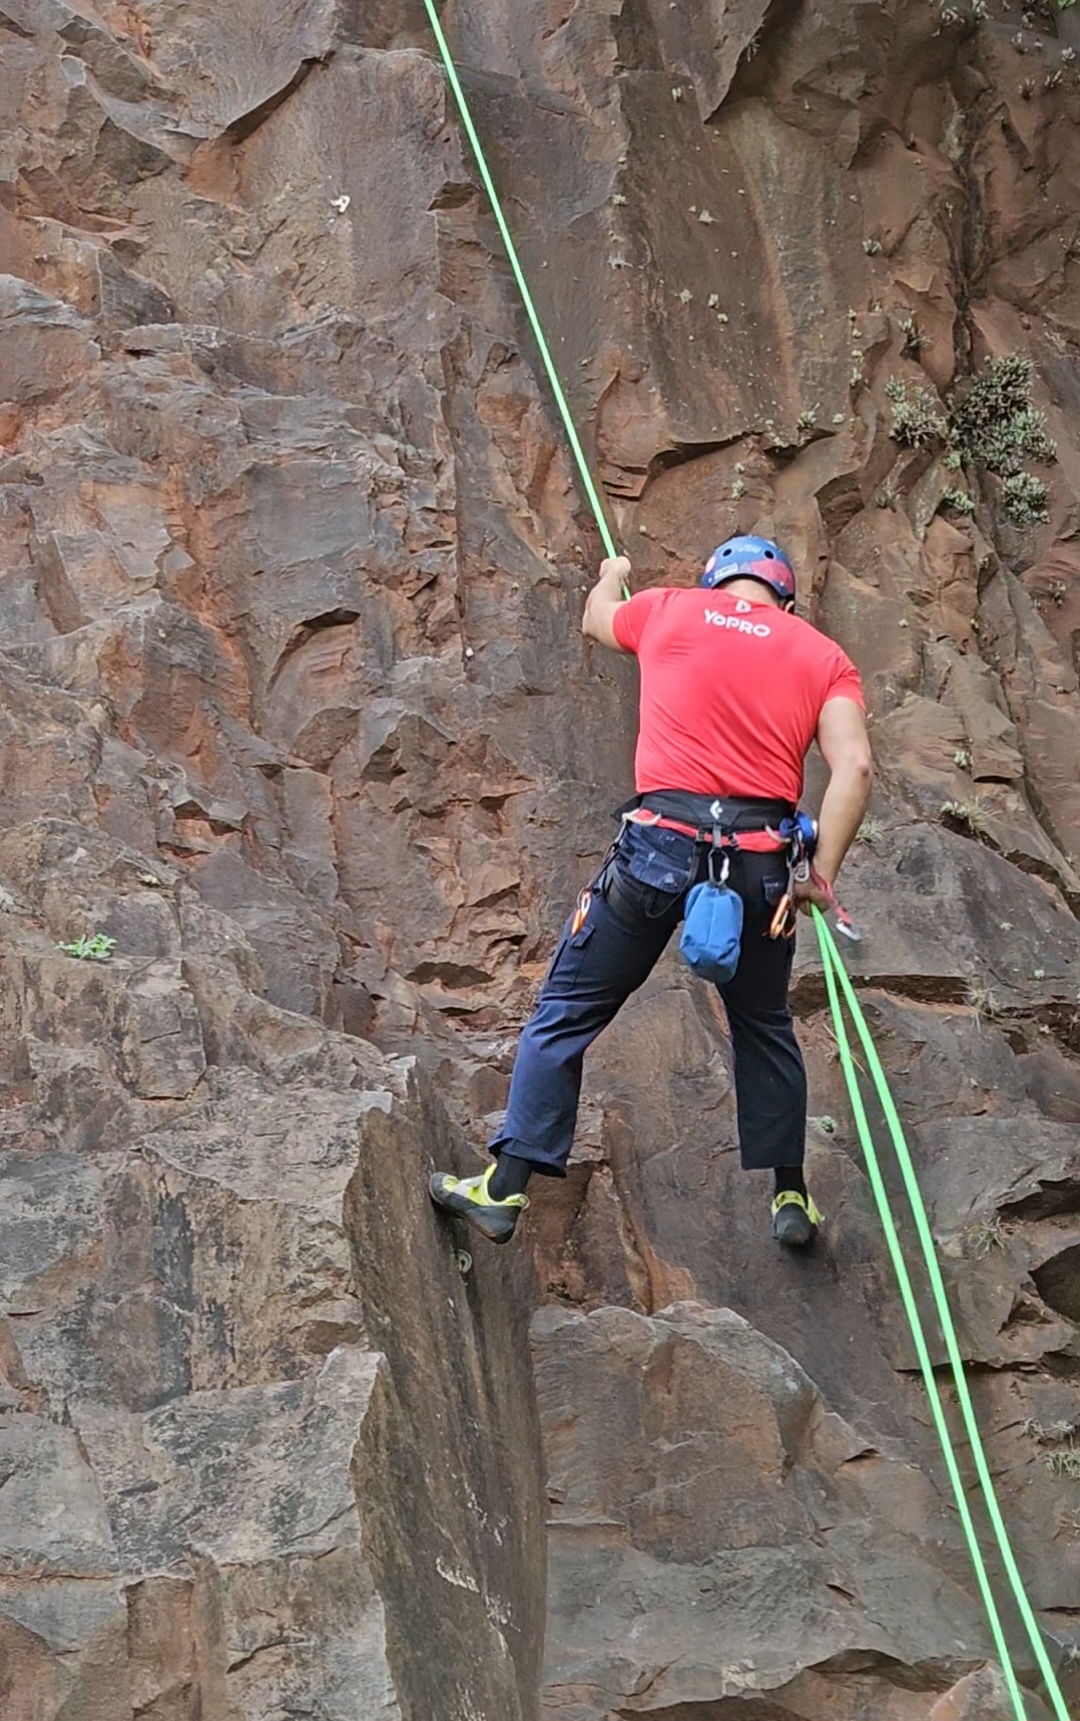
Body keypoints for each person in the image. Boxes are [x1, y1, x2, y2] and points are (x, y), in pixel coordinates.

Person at [430, 534, 872, 1249]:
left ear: (715, 580)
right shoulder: (821, 655)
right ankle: (789, 1193)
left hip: (656, 854)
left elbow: (597, 617)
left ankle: (503, 1190)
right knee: (763, 1026)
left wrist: (613, 574)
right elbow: (853, 769)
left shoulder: (668, 609)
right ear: (782, 598)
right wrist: (819, 877)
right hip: (760, 871)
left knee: (567, 1010)